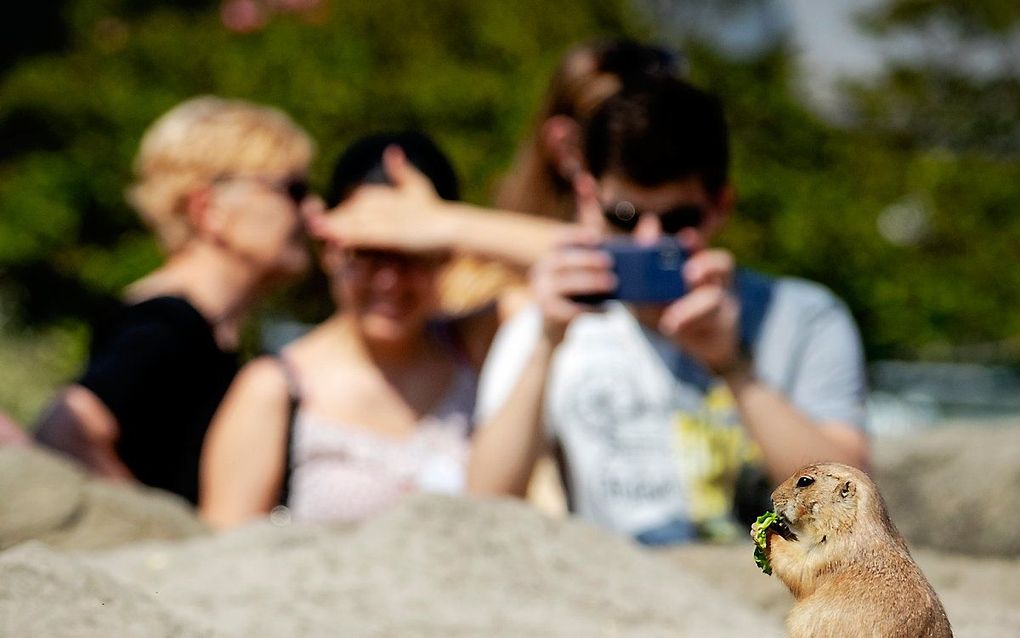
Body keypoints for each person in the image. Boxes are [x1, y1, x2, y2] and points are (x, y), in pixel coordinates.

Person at [469, 76, 871, 545]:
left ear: (720, 206)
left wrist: (733, 368)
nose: (649, 239)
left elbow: (851, 506)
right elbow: (484, 503)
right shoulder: (547, 323)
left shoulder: (807, 316)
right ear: (587, 197)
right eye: (625, 216)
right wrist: (545, 343)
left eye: (678, 219)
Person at [201, 132, 555, 529]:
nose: (389, 281)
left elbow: (602, 268)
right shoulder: (273, 389)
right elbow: (221, 558)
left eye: (411, 255)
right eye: (367, 253)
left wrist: (449, 223)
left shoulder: (478, 345)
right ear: (328, 251)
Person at [33, 96, 314, 505]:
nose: (311, 210)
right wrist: (164, 543)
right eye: (293, 190)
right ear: (209, 209)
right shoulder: (168, 324)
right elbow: (66, 428)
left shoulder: (198, 325)